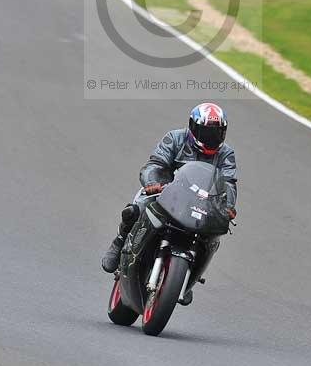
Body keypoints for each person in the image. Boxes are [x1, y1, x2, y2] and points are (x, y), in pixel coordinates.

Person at [101, 102, 237, 282]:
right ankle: (119, 241)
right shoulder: (175, 138)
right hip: (167, 192)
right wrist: (153, 182)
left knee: (215, 231)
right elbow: (155, 164)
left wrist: (227, 206)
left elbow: (229, 183)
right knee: (137, 208)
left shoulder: (226, 153)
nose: (211, 137)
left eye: (217, 133)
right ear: (193, 127)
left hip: (202, 202)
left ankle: (192, 276)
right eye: (207, 132)